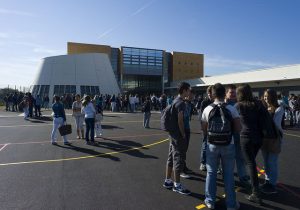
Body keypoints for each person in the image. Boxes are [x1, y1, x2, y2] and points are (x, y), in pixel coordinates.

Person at [201, 83, 241, 210]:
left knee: (211, 173)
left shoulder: (207, 109)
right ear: (224, 94)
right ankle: (231, 204)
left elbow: (204, 129)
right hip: (228, 144)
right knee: (228, 174)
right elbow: (238, 128)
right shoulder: (232, 109)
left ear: (212, 94)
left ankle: (210, 201)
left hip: (212, 144)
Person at [235, 84, 265, 204]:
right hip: (258, 137)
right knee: (252, 162)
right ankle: (256, 189)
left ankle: (256, 192)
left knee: (250, 164)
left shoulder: (239, 106)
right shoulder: (258, 104)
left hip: (246, 137)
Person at [163, 82, 191, 195]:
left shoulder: (174, 100)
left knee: (171, 157)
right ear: (184, 90)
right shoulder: (181, 103)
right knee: (178, 159)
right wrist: (183, 134)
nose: (189, 92)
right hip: (178, 135)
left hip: (172, 134)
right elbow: (180, 120)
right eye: (188, 90)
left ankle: (168, 180)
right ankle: (177, 185)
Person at [261, 89, 285, 194]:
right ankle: (267, 181)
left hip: (274, 139)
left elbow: (276, 124)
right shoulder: (264, 107)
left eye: (268, 96)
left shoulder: (279, 109)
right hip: (264, 138)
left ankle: (273, 184)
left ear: (273, 97)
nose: (266, 98)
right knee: (266, 162)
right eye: (265, 96)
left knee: (272, 162)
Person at [226, 84, 249, 188]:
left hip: (239, 137)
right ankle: (227, 176)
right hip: (228, 137)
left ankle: (243, 176)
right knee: (228, 158)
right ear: (226, 93)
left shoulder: (239, 104)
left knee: (240, 158)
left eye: (235, 93)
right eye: (231, 92)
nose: (233, 94)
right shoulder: (223, 105)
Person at [199, 85, 214, 171]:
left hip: (215, 128)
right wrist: (203, 127)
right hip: (206, 127)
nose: (209, 94)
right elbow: (201, 116)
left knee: (215, 146)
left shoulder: (216, 102)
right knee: (205, 145)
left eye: (211, 93)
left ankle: (214, 164)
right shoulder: (204, 102)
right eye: (208, 93)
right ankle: (203, 162)